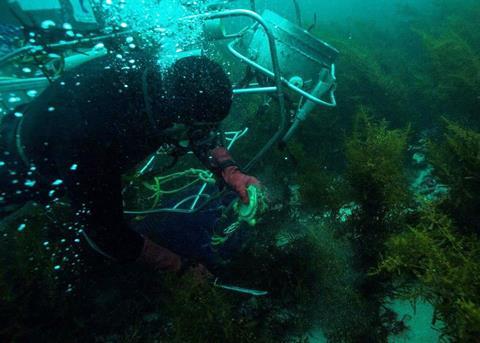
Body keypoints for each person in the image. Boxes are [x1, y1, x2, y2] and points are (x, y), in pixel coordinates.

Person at [0, 50, 260, 274]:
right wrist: (179, 267)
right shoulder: (92, 136)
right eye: (195, 126)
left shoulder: (161, 82)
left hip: (55, 135)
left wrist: (230, 171)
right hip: (18, 169)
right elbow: (106, 235)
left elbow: (200, 130)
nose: (203, 131)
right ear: (175, 119)